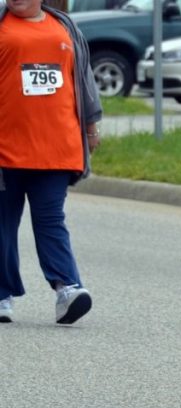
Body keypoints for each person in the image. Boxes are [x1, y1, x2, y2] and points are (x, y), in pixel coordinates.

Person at [0, 0, 102, 325]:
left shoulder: (65, 27)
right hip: (6, 148)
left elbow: (83, 80)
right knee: (2, 222)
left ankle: (67, 289)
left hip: (57, 146)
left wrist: (91, 127)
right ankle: (1, 295)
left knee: (51, 219)